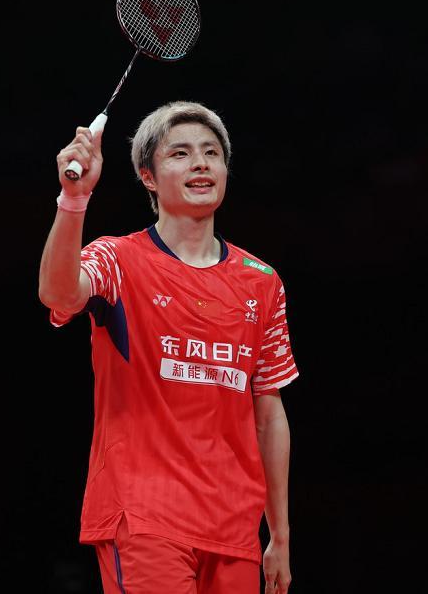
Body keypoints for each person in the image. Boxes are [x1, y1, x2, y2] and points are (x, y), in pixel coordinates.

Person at [39, 101, 298, 594]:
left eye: (211, 153)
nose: (201, 163)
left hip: (233, 526)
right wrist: (73, 199)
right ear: (148, 177)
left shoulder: (262, 281)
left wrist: (279, 535)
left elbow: (268, 413)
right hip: (144, 515)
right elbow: (58, 294)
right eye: (180, 153)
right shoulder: (116, 260)